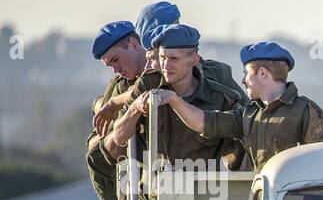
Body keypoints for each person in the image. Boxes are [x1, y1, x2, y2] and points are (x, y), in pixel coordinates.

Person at [97, 23, 244, 189]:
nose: (166, 66)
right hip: (156, 198)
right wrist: (135, 108)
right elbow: (119, 137)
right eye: (163, 58)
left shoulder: (222, 99)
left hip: (205, 197)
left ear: (194, 59)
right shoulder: (147, 86)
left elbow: (245, 138)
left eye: (174, 59)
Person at [156, 41, 323, 172]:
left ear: (262, 73)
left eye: (246, 73)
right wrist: (175, 100)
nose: (242, 81)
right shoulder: (248, 114)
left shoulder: (305, 111)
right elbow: (204, 122)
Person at [86, 21, 144, 200]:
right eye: (109, 65)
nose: (115, 69)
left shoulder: (166, 70)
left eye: (116, 59)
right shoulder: (118, 86)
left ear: (134, 45)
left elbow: (148, 88)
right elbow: (97, 139)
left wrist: (115, 103)